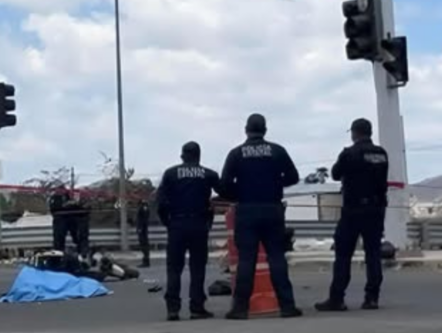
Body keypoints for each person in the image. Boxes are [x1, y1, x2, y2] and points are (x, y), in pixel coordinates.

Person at [219, 113, 303, 320]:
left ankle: (240, 309)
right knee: (276, 257)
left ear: (246, 130)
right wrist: (274, 183)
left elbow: (225, 185)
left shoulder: (236, 154)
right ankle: (287, 306)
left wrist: (241, 191)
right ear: (265, 130)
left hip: (247, 210)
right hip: (272, 208)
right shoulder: (277, 151)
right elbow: (293, 177)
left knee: (246, 260)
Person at [316, 118, 389, 311]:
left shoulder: (349, 153)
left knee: (343, 254)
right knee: (373, 254)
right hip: (376, 209)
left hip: (353, 210)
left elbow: (335, 174)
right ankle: (372, 298)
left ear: (355, 133)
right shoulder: (381, 154)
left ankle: (337, 298)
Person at [156, 141, 221, 321]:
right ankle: (197, 308)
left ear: (183, 156)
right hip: (199, 224)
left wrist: (168, 223)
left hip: (177, 224)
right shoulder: (209, 174)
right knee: (198, 267)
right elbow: (225, 192)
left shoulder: (170, 174)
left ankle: (173, 309)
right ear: (199, 156)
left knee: (174, 268)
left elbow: (160, 202)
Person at [48, 188, 90, 257]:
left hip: (76, 217)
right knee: (59, 238)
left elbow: (87, 208)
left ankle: (83, 254)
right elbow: (53, 209)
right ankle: (58, 255)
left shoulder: (81, 194)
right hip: (64, 217)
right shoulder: (57, 195)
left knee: (80, 237)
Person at [136, 200, 151, 268]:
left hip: (143, 230)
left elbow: (143, 219)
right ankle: (145, 261)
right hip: (143, 230)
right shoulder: (144, 207)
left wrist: (140, 228)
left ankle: (146, 261)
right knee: (144, 245)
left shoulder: (144, 207)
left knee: (144, 245)